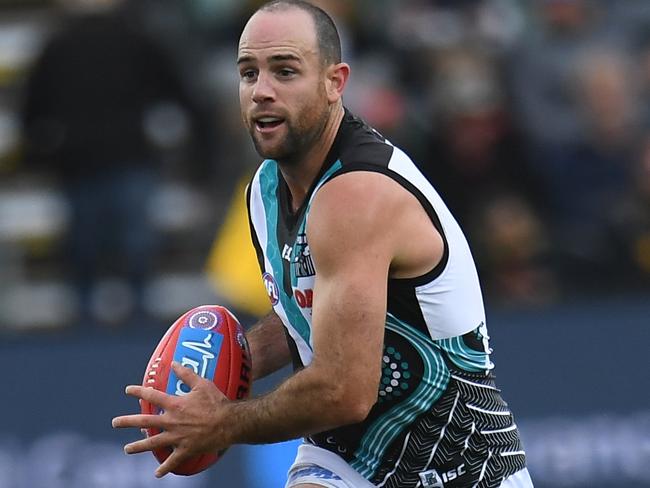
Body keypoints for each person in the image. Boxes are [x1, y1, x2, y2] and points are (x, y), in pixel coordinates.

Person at [112, 1, 534, 486]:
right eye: (248, 73)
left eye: (285, 71)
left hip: (456, 464)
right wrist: (228, 366)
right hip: (344, 456)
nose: (261, 91)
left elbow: (342, 390)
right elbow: (309, 310)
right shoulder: (265, 189)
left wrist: (220, 421)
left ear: (335, 81)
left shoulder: (356, 192)